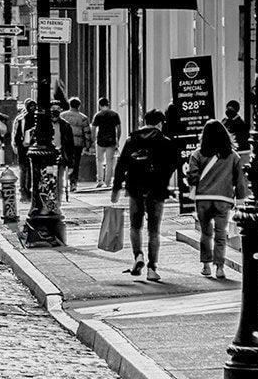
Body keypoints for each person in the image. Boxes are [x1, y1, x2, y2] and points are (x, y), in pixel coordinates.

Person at [108, 107, 184, 281]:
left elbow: (121, 166)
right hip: (157, 190)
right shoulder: (165, 141)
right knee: (154, 230)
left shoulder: (132, 139)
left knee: (135, 226)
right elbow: (174, 164)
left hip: (135, 188)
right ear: (159, 123)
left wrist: (116, 189)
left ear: (145, 121)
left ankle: (138, 256)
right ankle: (152, 268)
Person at [190, 116, 249, 279]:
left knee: (206, 233)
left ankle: (206, 265)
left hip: (203, 199)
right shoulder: (233, 156)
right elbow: (240, 180)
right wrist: (240, 198)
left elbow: (192, 176)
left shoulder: (197, 154)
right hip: (224, 199)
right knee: (220, 233)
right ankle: (220, 267)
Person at [92, 99, 122, 186]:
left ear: (99, 105)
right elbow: (119, 129)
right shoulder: (114, 114)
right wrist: (117, 139)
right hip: (111, 140)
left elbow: (93, 128)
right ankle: (108, 181)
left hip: (100, 140)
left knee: (99, 160)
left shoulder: (98, 115)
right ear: (108, 104)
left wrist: (93, 140)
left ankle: (100, 180)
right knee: (110, 161)